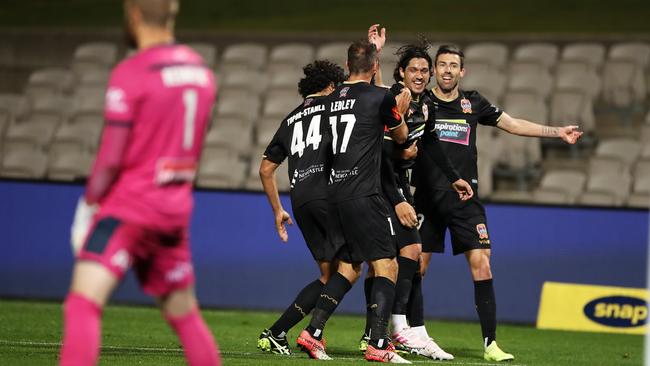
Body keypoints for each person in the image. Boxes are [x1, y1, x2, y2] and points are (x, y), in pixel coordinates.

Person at [60, 1, 220, 365]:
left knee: (82, 305)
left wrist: (88, 206)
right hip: (174, 211)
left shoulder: (132, 71)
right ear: (172, 11)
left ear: (133, 14)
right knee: (184, 312)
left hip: (130, 208)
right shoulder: (200, 71)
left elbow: (111, 157)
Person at [413, 44, 583, 362]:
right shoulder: (422, 102)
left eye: (454, 65)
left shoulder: (473, 102)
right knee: (416, 268)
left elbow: (513, 124)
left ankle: (491, 344)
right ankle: (409, 333)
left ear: (462, 71)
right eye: (442, 65)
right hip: (426, 199)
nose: (447, 70)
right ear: (434, 70)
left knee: (482, 262)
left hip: (466, 201)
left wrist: (556, 131)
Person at [295, 39, 411, 363]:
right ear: (375, 67)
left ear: (346, 67)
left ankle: (312, 332)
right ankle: (377, 343)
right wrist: (397, 110)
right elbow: (400, 137)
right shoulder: (380, 97)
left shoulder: (329, 100)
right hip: (365, 193)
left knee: (348, 267)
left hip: (334, 196)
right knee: (388, 264)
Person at [360, 27, 472, 361]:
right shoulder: (394, 97)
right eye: (414, 70)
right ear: (401, 73)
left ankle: (386, 332)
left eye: (425, 70)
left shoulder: (425, 106)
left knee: (390, 262)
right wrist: (398, 199)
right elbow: (379, 151)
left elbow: (432, 143)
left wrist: (454, 178)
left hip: (393, 186)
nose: (421, 75)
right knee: (407, 251)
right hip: (379, 188)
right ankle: (399, 328)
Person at [256, 60, 346, 355]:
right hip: (327, 196)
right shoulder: (335, 106)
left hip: (300, 201)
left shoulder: (290, 119)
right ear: (332, 86)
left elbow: (265, 169)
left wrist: (277, 210)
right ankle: (314, 333)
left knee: (328, 276)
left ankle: (276, 332)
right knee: (353, 265)